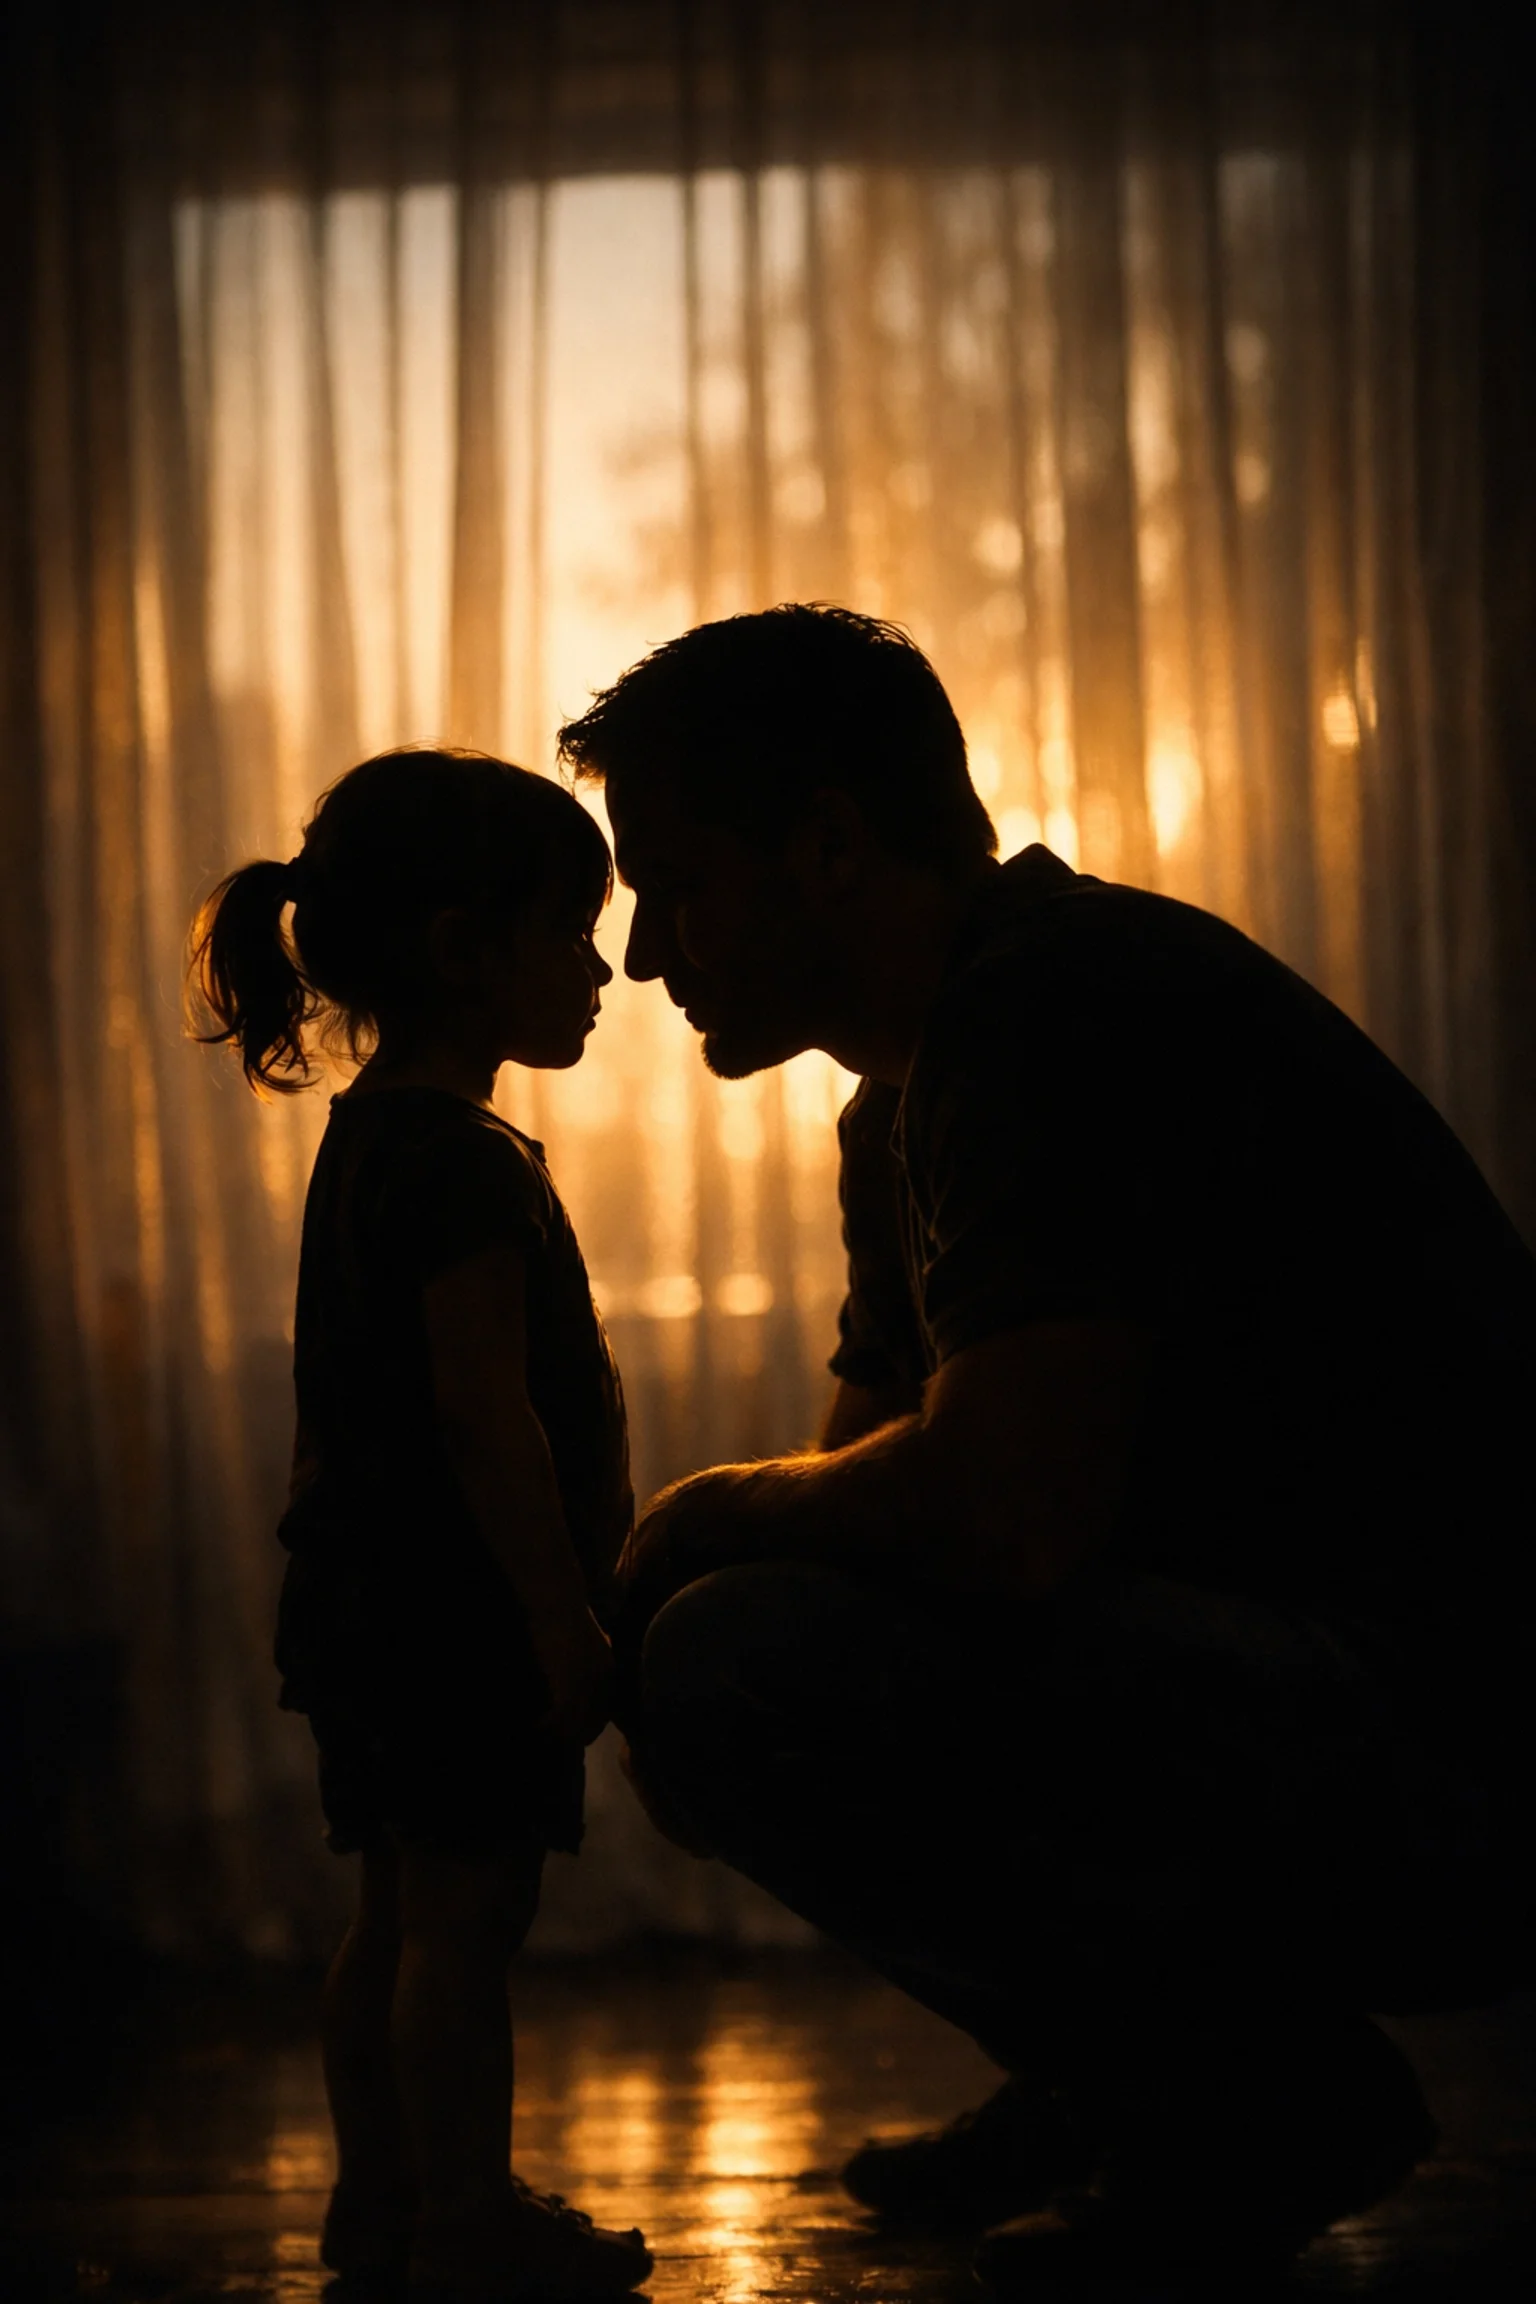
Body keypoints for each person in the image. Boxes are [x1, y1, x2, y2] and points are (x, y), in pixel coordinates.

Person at [557, 606, 1536, 2283]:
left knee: (736, 1660)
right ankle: (1128, 2079)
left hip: (1472, 1746)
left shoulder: (1050, 1012)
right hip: (1320, 1695)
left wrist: (693, 1529)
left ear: (831, 846)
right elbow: (877, 1494)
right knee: (718, 1647)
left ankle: (1248, 2095)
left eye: (679, 881)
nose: (648, 956)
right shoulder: (912, 1087)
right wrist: (704, 1576)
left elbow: (999, 1516)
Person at [189, 749, 653, 2303]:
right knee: (466, 1916)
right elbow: (481, 1413)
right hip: (454, 1616)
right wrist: (556, 1617)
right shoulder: (457, 1159)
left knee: (394, 1911)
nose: (601, 970)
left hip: (363, 1602)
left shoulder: (376, 1138)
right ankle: (463, 2220)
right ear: (465, 951)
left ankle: (377, 2205)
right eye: (567, 932)